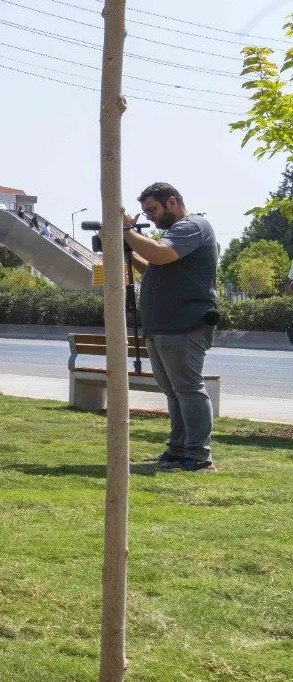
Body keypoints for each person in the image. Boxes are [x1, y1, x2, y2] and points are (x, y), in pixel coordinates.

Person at [123, 182, 220, 472]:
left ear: (172, 202)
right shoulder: (174, 235)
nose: (150, 216)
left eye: (152, 209)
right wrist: (125, 250)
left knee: (188, 389)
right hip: (163, 326)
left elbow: (159, 255)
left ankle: (200, 457)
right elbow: (153, 267)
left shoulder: (192, 227)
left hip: (185, 325)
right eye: (145, 212)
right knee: (174, 391)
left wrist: (127, 231)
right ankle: (178, 451)